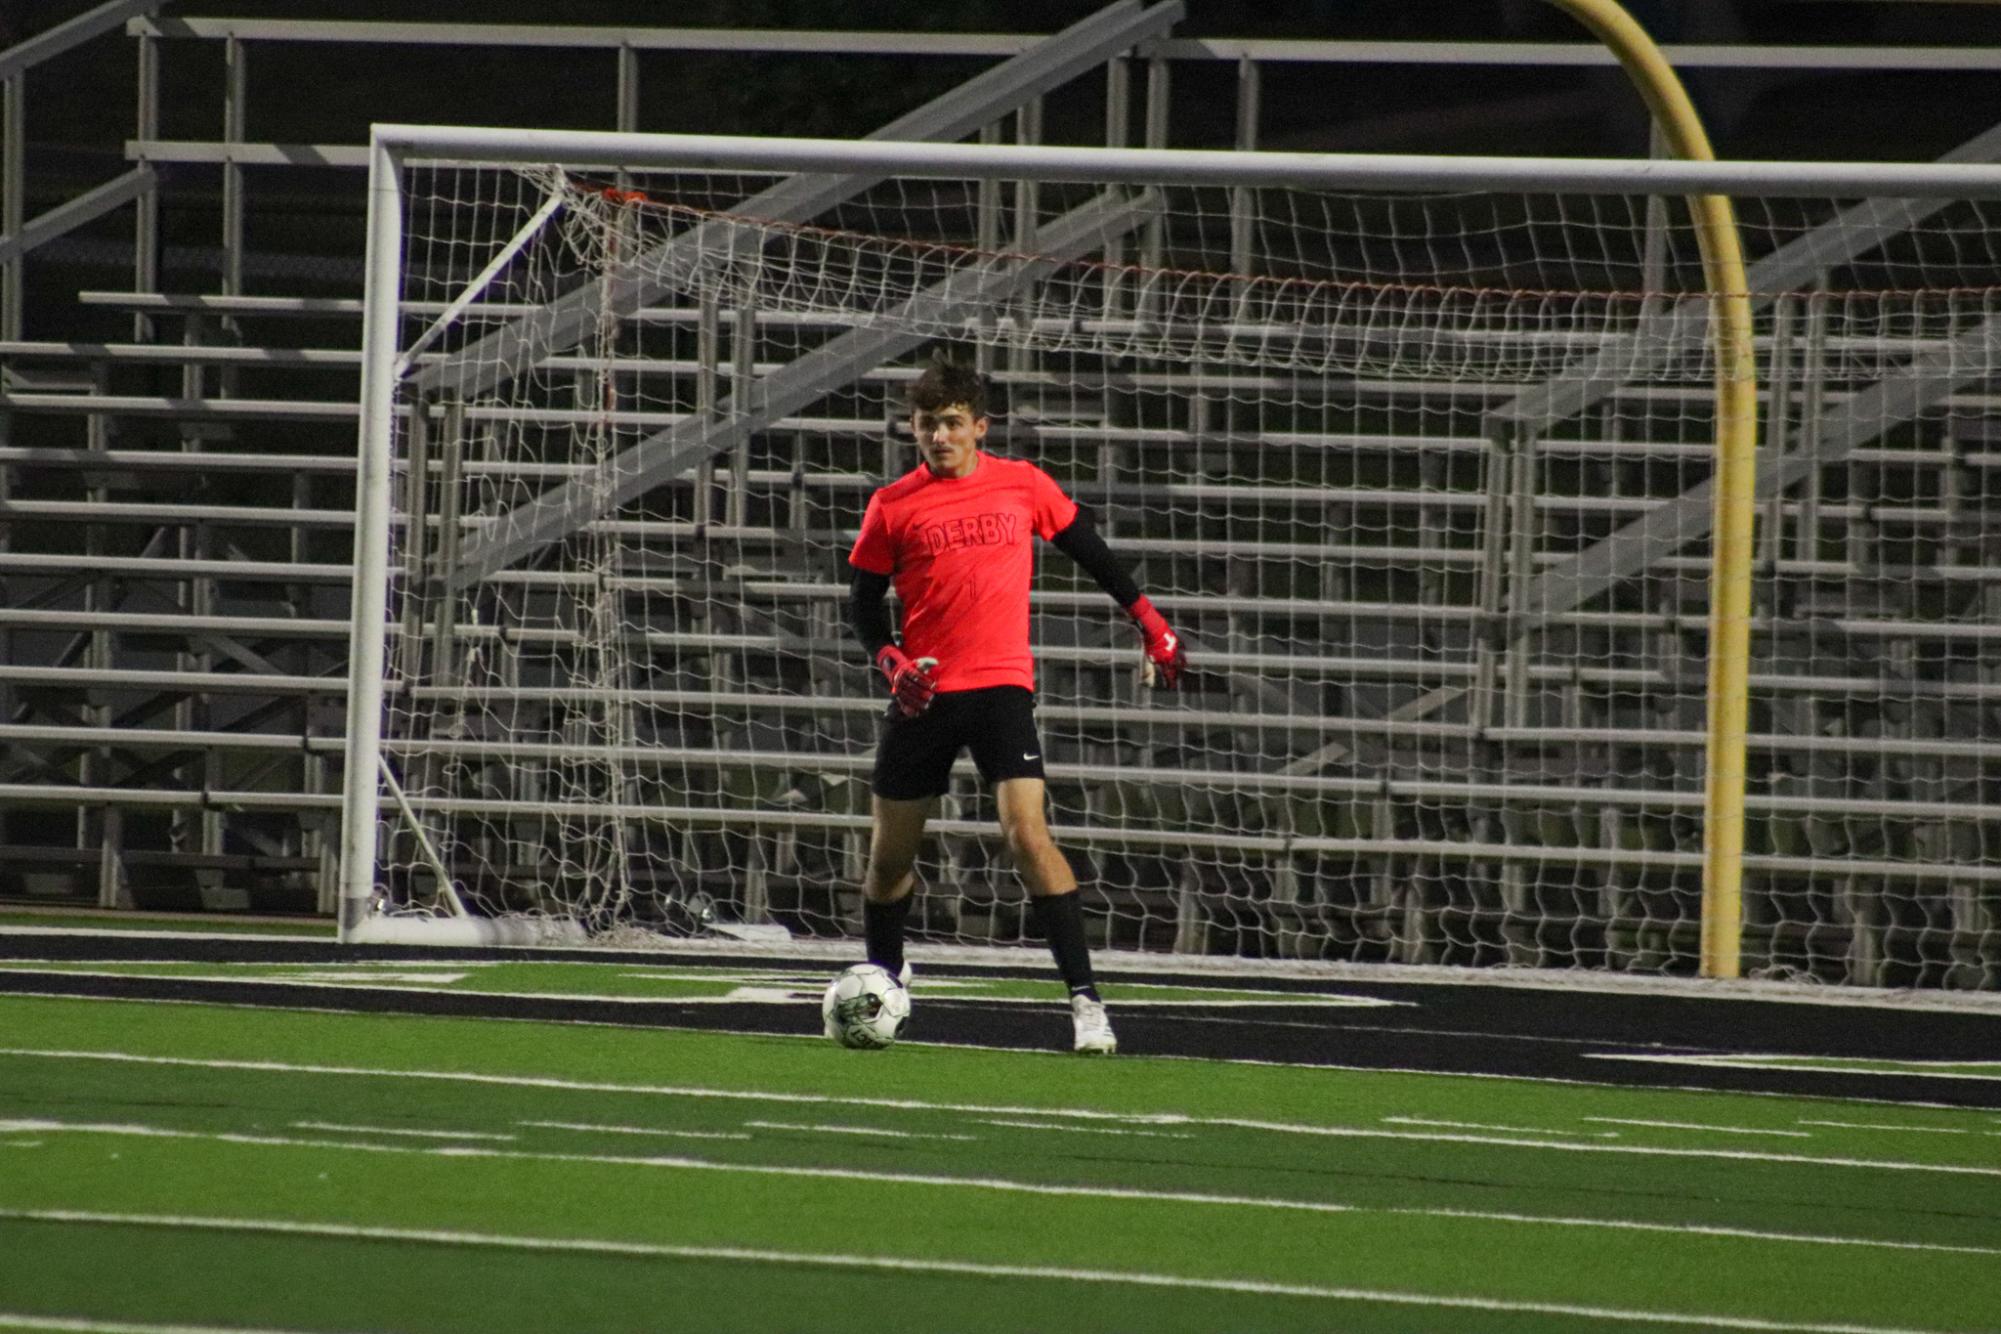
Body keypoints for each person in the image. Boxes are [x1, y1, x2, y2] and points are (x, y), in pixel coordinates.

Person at [847, 359, 1187, 1054]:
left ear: (979, 426)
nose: (938, 437)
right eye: (925, 425)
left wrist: (1151, 622)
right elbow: (860, 606)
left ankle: (1086, 1004)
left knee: (1027, 834)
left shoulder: (1022, 484)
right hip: (926, 694)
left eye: (950, 423)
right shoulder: (893, 504)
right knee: (888, 860)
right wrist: (893, 664)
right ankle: (886, 977)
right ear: (912, 430)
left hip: (1001, 686)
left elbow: (1090, 552)